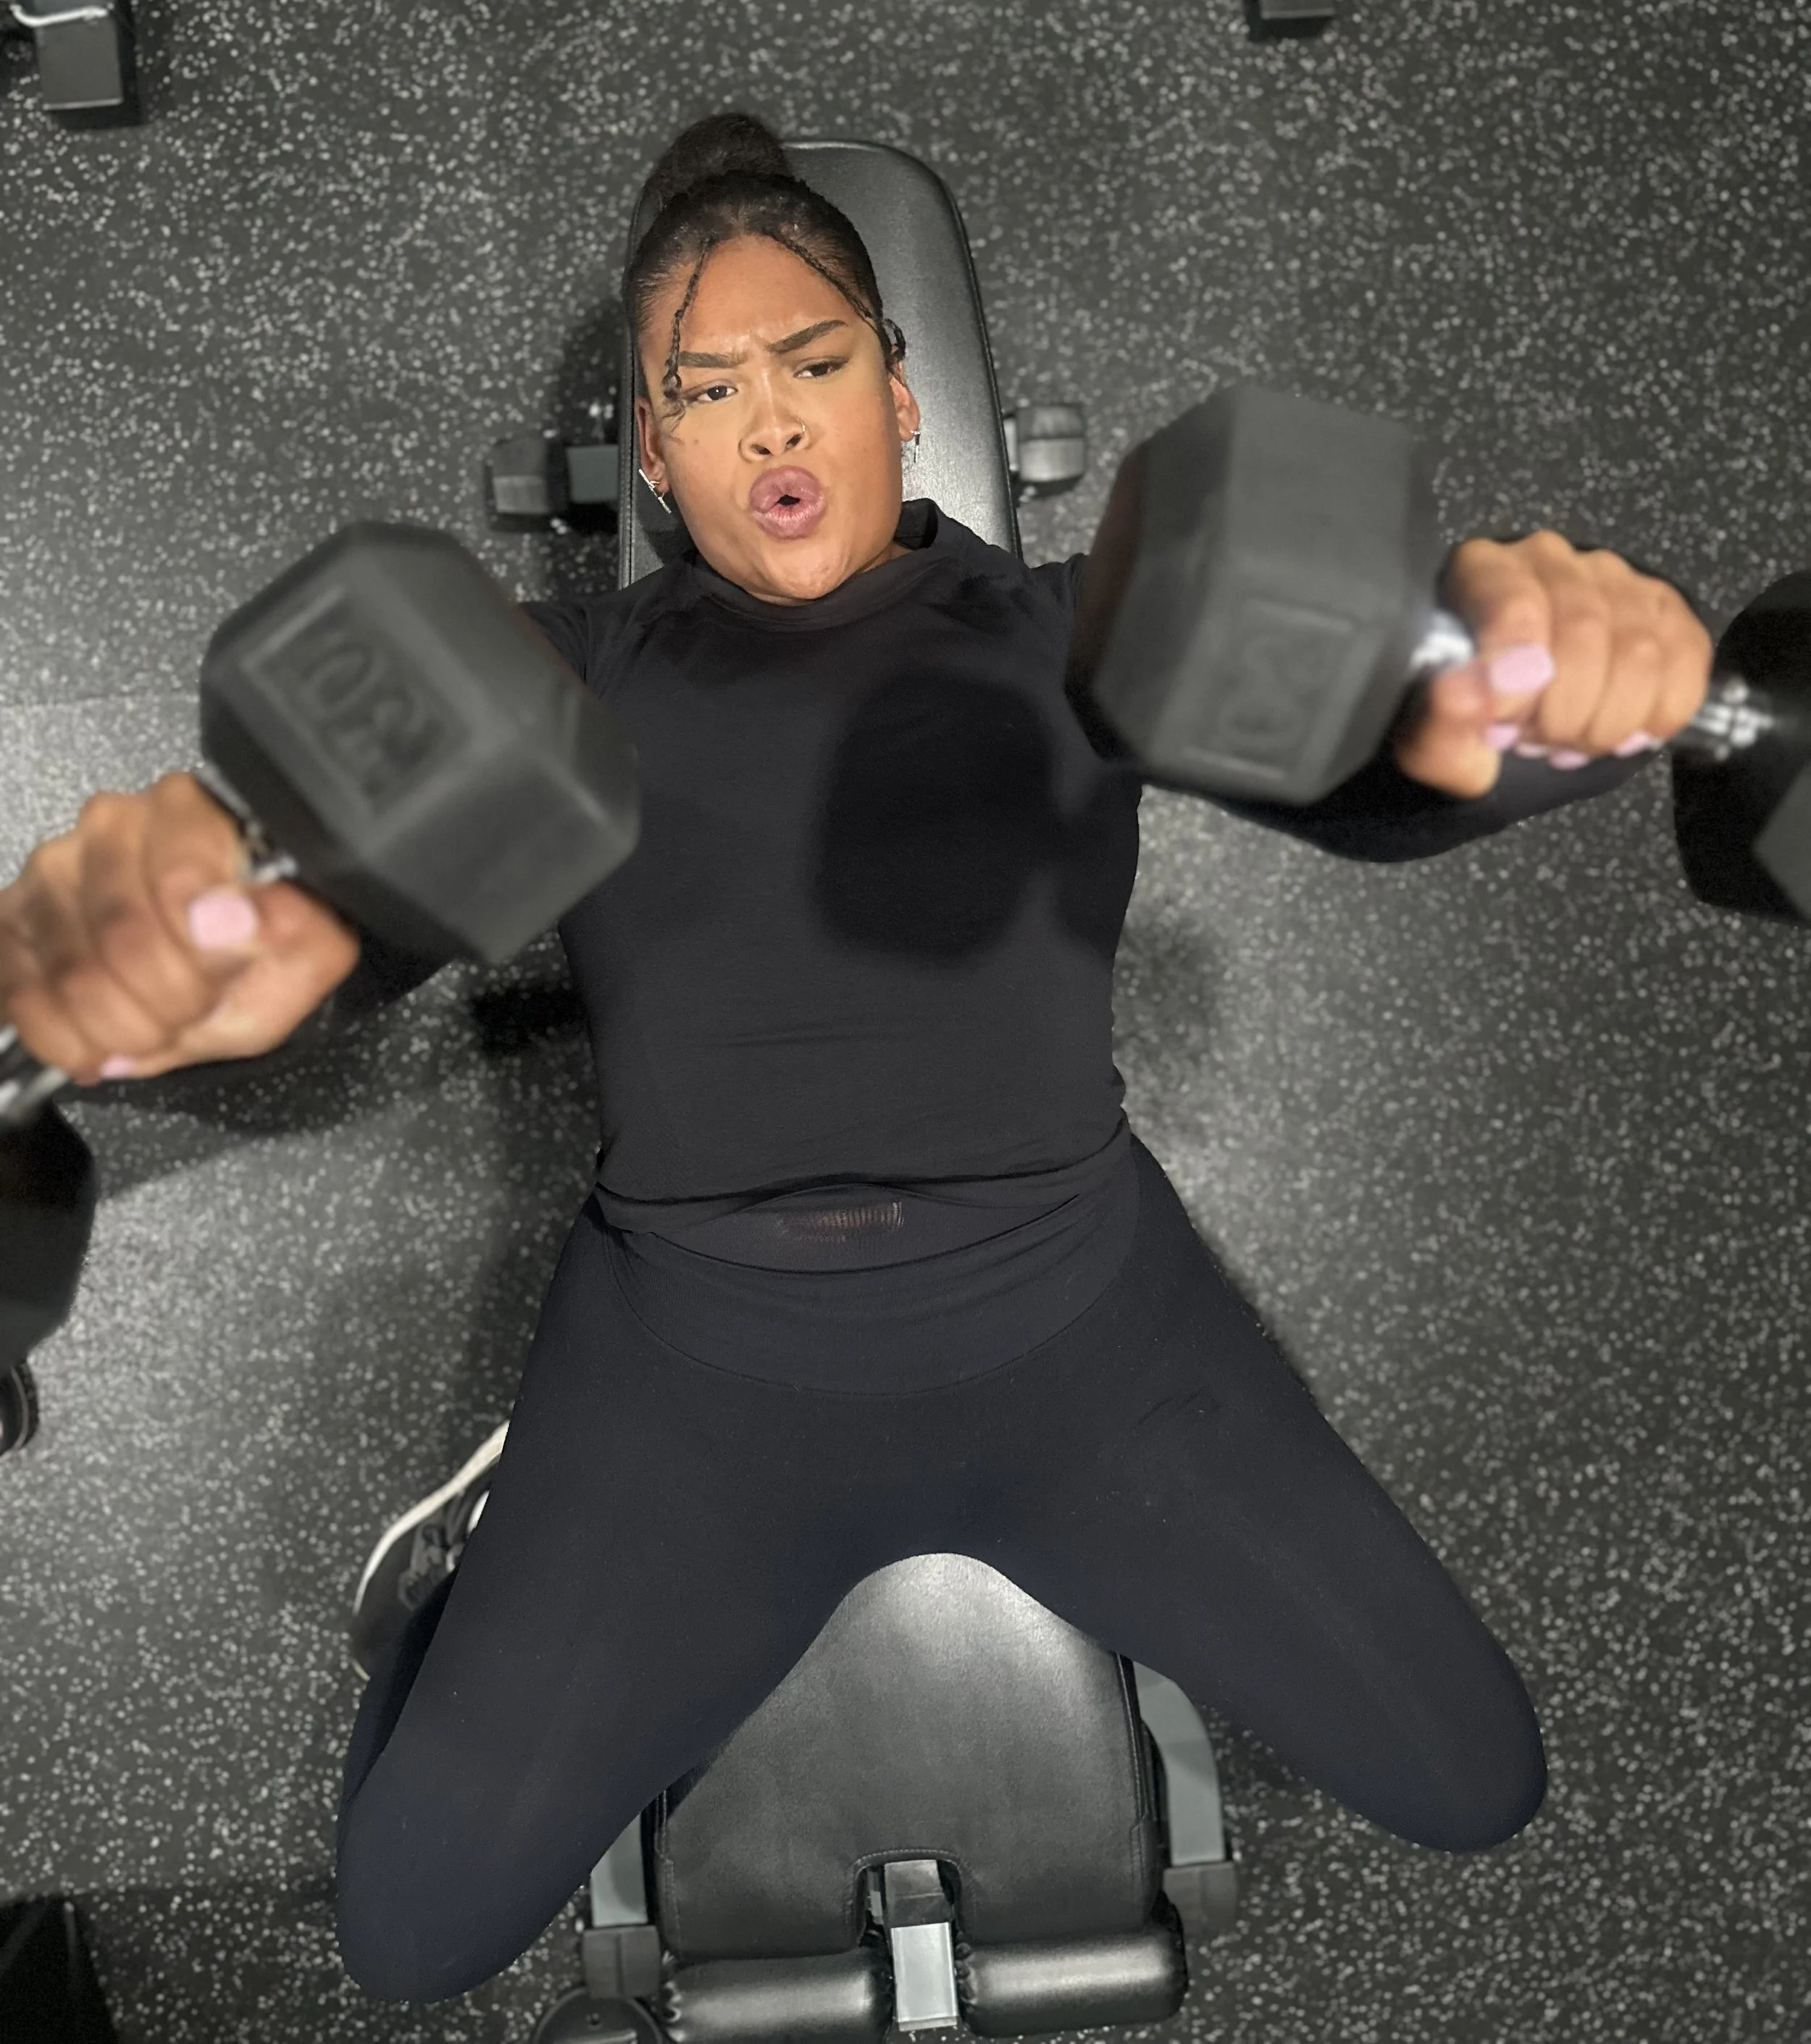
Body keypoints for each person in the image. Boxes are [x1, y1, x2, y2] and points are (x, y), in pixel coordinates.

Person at [0, 114, 1713, 2003]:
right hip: (695, 1365)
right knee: (410, 1931)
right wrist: (238, 969)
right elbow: (357, 921)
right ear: (651, 456)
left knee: (1473, 1773)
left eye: (814, 364)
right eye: (706, 390)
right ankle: (473, 1559)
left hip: (1078, 1323)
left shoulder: (1085, 635)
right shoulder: (551, 697)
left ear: (900, 395)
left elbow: (1365, 769)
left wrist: (1505, 733)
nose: (772, 423)